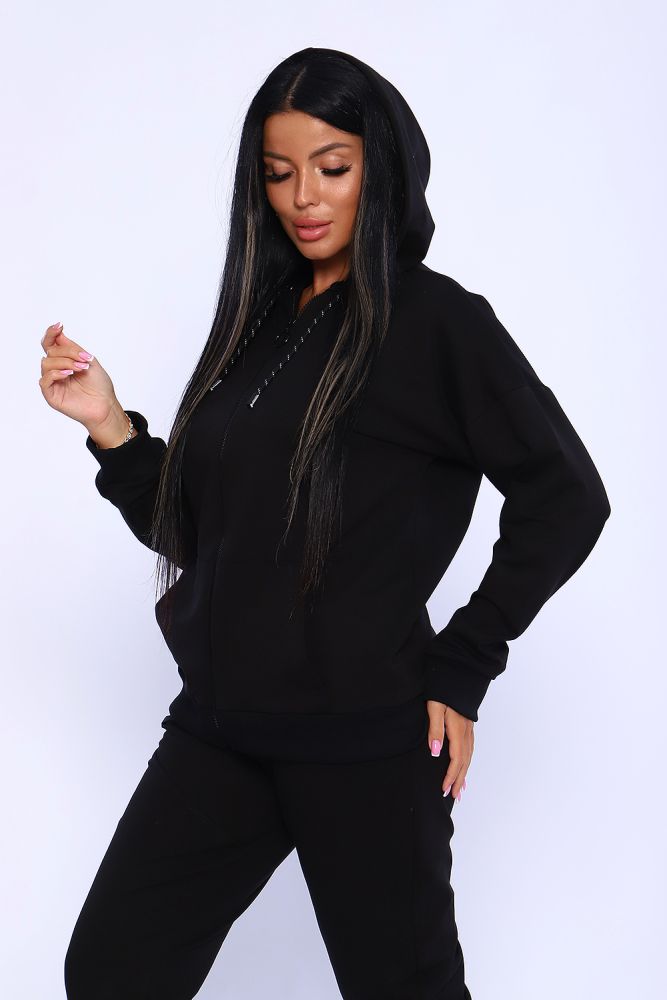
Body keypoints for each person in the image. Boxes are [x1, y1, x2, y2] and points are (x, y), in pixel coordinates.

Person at [39, 46, 611, 1000]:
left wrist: (464, 663)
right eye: (278, 173)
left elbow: (568, 496)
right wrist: (112, 429)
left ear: (379, 167)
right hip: (222, 730)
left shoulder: (436, 323)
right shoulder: (263, 319)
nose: (303, 197)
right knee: (112, 971)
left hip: (365, 741)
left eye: (331, 167)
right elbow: (203, 534)